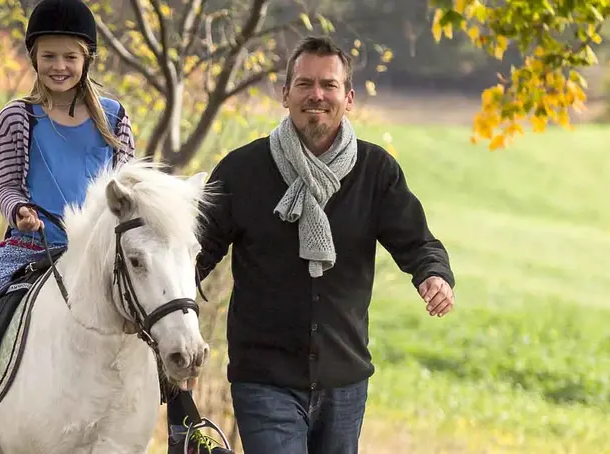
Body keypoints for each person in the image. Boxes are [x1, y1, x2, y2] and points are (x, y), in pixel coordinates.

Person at [0, 1, 230, 453]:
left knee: (164, 309)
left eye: (69, 56)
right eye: (49, 56)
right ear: (34, 59)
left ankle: (186, 425)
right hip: (32, 246)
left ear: (86, 59)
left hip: (100, 253)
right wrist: (20, 210)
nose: (59, 66)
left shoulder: (114, 117)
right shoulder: (17, 118)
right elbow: (5, 185)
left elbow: (129, 189)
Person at [186, 36, 458, 453]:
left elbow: (418, 242)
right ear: (285, 94)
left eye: (328, 85)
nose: (317, 95)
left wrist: (433, 275)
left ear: (348, 98)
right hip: (264, 379)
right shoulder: (241, 170)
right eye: (304, 84)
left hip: (344, 381)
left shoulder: (375, 171)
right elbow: (194, 254)